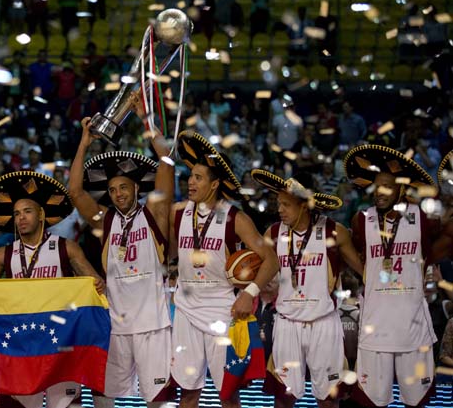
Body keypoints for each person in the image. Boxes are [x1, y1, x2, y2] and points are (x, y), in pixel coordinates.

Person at [67, 114, 174, 408]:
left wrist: (147, 121)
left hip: (152, 324)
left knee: (159, 398)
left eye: (123, 187)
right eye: (112, 190)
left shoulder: (154, 215)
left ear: (137, 188)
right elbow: (75, 192)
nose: (117, 194)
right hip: (114, 325)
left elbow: (167, 162)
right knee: (102, 395)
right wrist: (84, 142)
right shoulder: (106, 220)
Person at [171, 130, 279, 408]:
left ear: (215, 183)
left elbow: (271, 259)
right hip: (185, 310)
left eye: (198, 178)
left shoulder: (235, 218)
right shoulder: (178, 212)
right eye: (190, 176)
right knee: (189, 392)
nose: (190, 182)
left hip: (223, 310)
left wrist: (249, 293)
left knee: (228, 394)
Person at [0, 170, 105, 408]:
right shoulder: (3, 254)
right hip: (21, 343)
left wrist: (97, 284)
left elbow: (96, 285)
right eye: (16, 214)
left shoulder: (65, 248)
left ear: (41, 214)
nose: (21, 218)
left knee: (66, 403)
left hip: (60, 342)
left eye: (27, 211)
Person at [250, 170, 364, 408]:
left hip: (323, 322)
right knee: (283, 397)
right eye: (279, 203)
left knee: (328, 398)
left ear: (304, 205)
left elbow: (364, 270)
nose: (279, 209)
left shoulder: (334, 231)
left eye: (286, 204)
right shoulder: (272, 233)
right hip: (286, 322)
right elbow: (256, 271)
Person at [346, 145, 439, 408]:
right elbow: (351, 253)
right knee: (373, 403)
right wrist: (363, 273)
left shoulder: (421, 217)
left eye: (386, 186)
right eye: (376, 186)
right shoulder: (361, 219)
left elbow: (438, 247)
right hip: (375, 327)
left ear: (400, 188)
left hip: (413, 327)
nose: (380, 192)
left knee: (415, 402)